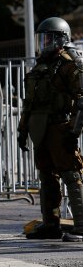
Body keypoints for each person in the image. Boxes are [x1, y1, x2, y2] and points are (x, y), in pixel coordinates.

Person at [17, 17, 83, 241]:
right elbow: (30, 103)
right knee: (46, 177)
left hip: (61, 126)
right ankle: (50, 224)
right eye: (42, 39)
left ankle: (81, 225)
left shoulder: (70, 64)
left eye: (50, 39)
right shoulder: (40, 66)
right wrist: (22, 130)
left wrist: (73, 132)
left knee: (71, 175)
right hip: (41, 130)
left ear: (62, 40)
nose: (44, 43)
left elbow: (81, 100)